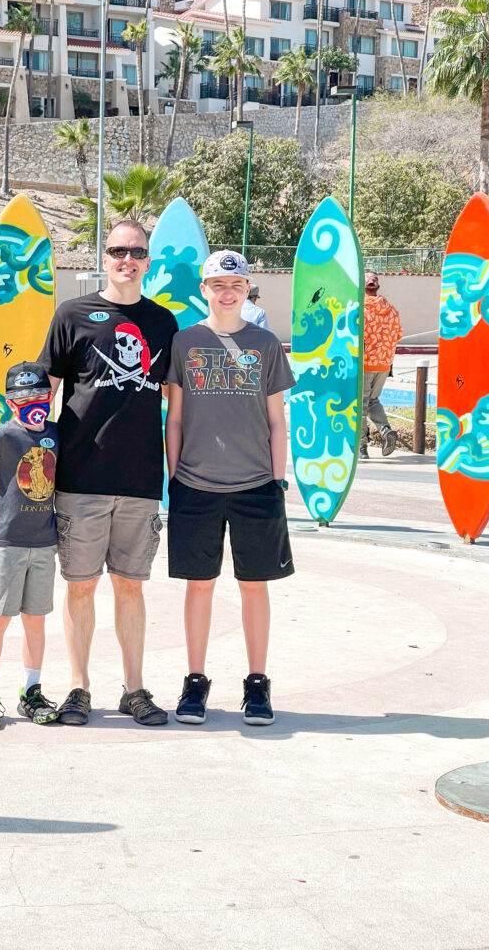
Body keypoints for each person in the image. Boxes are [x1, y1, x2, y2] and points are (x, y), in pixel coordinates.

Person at [38, 220, 178, 726]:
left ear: (148, 259)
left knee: (131, 586)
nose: (127, 259)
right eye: (118, 250)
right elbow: (42, 392)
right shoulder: (72, 315)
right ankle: (78, 687)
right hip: (80, 477)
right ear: (105, 255)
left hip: (141, 479)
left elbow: (178, 406)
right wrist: (23, 457)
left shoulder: (164, 324)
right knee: (79, 586)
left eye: (137, 251)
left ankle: (134, 689)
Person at [165, 249, 296, 726]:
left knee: (254, 586)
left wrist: (277, 479)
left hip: (256, 485)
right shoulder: (185, 343)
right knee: (199, 586)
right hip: (195, 485)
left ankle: (257, 683)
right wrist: (176, 477)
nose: (226, 293)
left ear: (247, 291)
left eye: (236, 285)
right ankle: (195, 682)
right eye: (217, 284)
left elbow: (276, 420)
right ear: (204, 289)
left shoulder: (265, 344)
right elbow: (174, 418)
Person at [0, 362, 60, 729]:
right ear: (10, 401)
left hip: (44, 543)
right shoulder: (3, 435)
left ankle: (31, 691)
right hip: (7, 542)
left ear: (50, 397)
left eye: (40, 395)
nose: (34, 403)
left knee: (36, 620)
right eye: (24, 397)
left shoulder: (55, 433)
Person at [361, 271, 403, 460]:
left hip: (365, 363)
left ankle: (361, 447)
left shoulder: (360, 309)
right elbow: (398, 334)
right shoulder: (392, 310)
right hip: (384, 363)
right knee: (373, 400)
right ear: (377, 287)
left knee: (361, 405)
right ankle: (385, 431)